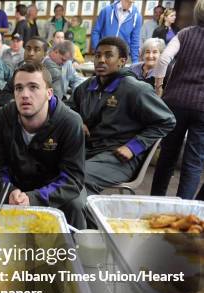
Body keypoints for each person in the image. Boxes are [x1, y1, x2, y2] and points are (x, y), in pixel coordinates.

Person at [0, 62, 87, 229]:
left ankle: (73, 250)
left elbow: (72, 178)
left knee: (75, 204)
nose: (24, 95)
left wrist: (35, 198)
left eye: (33, 87)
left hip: (52, 186)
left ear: (49, 93)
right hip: (14, 183)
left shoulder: (70, 122)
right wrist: (10, 192)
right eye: (19, 88)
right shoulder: (1, 118)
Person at [68, 37, 175, 196]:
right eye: (97, 55)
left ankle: (87, 220)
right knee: (45, 167)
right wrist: (77, 120)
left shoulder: (136, 89)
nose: (101, 60)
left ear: (122, 61)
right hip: (87, 150)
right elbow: (70, 108)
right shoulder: (86, 87)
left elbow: (167, 121)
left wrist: (134, 147)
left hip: (119, 157)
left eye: (108, 55)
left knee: (75, 179)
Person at [151, 0, 204, 200]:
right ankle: (184, 209)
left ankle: (155, 200)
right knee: (194, 161)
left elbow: (164, 59)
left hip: (176, 103)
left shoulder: (185, 33)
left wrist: (159, 87)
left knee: (167, 155)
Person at [0, 37, 62, 106]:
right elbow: (3, 95)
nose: (31, 53)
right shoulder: (21, 68)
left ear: (45, 54)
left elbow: (54, 103)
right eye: (28, 49)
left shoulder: (53, 73)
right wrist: (18, 101)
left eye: (36, 50)